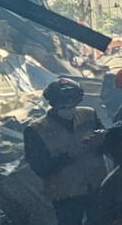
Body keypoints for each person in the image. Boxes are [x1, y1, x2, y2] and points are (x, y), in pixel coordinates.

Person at [24, 78, 107, 225]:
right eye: (63, 98)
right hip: (65, 193)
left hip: (96, 185)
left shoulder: (89, 114)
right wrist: (70, 155)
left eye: (71, 96)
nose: (68, 101)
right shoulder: (36, 129)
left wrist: (101, 140)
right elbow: (40, 168)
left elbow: (106, 144)